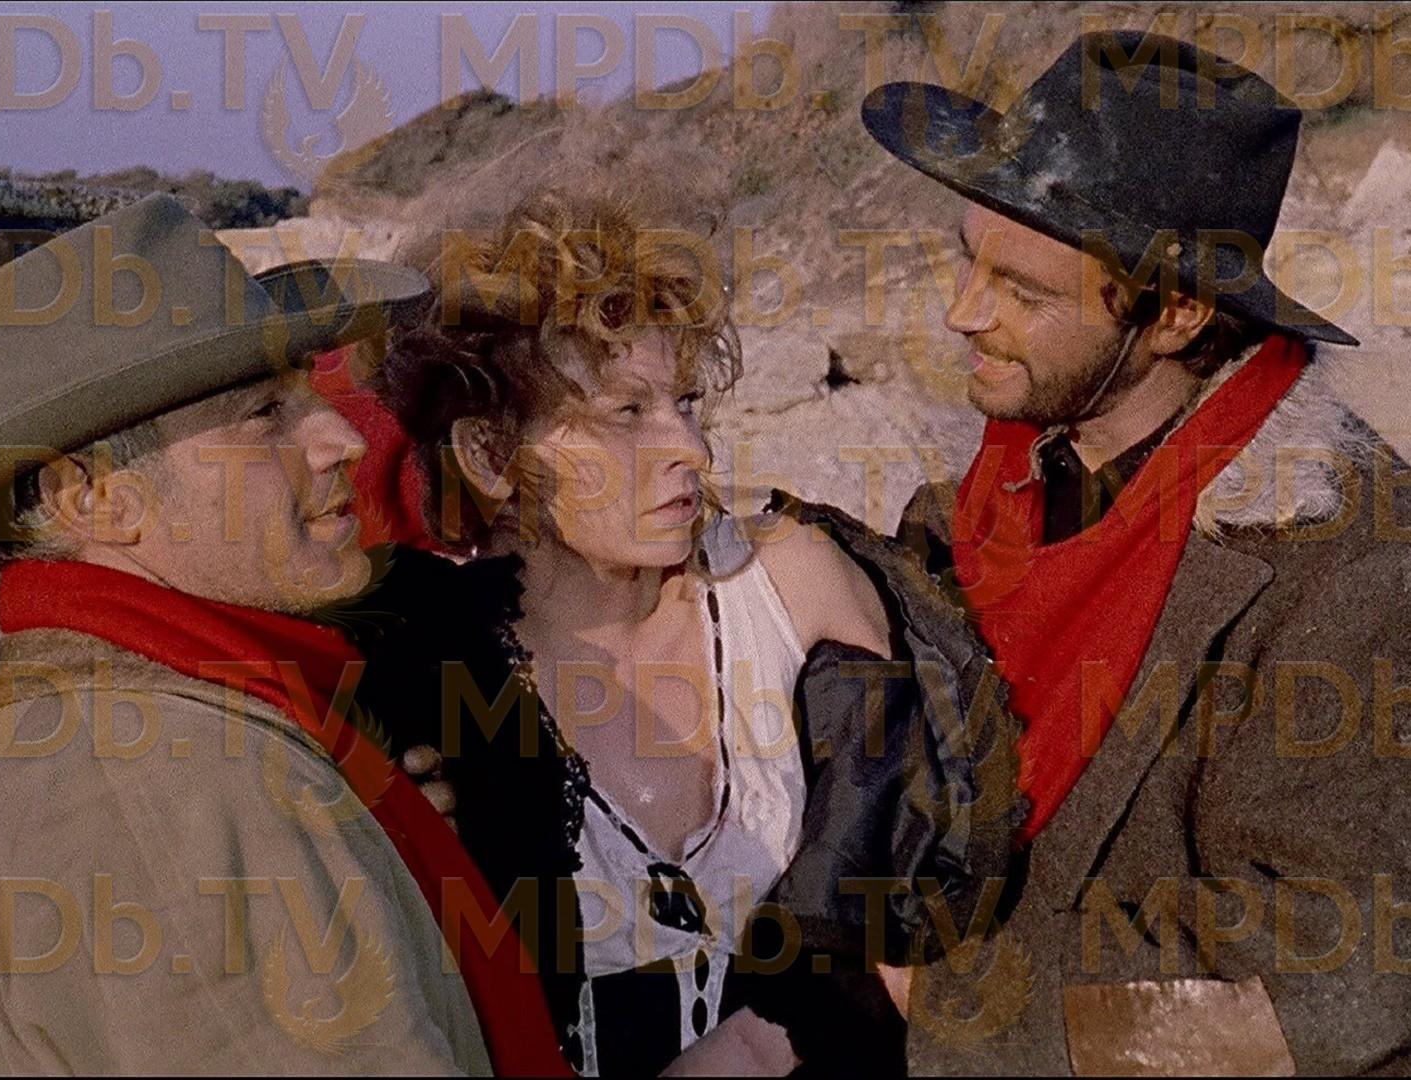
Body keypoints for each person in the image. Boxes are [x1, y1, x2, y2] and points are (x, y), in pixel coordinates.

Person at [860, 30, 1411, 1075]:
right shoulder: (972, 506)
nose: (961, 312)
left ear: (1178, 314)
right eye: (965, 259)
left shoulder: (1364, 576)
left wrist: (960, 998)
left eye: (1023, 291)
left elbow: (1334, 979)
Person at [0, 194, 569, 1075]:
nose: (342, 437)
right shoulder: (168, 791)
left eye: (305, 392)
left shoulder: (118, 745)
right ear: (96, 500)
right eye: (266, 412)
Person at [344, 188, 1020, 1076]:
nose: (691, 449)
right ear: (490, 456)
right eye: (628, 414)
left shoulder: (788, 586)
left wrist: (767, 1037)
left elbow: (924, 889)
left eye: (687, 402)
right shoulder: (423, 679)